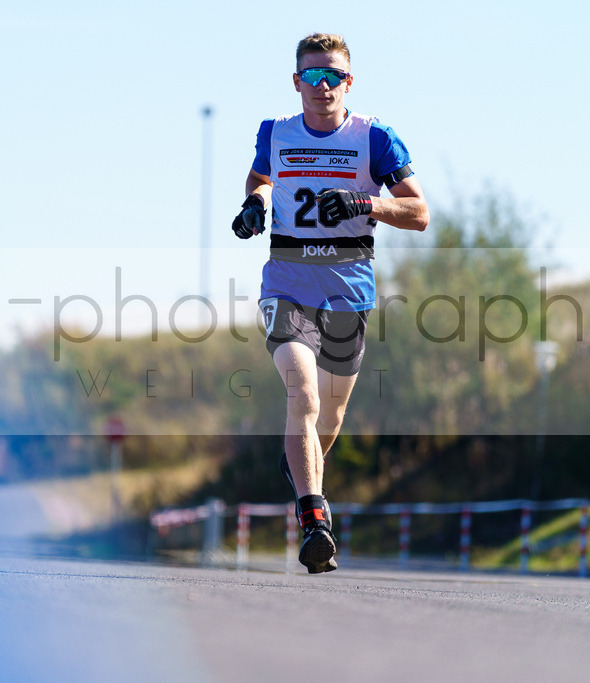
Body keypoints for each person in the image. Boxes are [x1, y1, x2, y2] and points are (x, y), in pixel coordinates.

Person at [233, 33, 429, 573]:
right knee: (304, 392)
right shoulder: (275, 132)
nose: (323, 87)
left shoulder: (375, 138)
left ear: (349, 81)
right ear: (296, 82)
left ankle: (301, 470)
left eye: (333, 76)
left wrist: (366, 202)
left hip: (349, 288)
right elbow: (262, 176)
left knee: (331, 413)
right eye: (312, 76)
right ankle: (315, 520)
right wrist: (255, 202)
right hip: (287, 285)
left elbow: (420, 213)